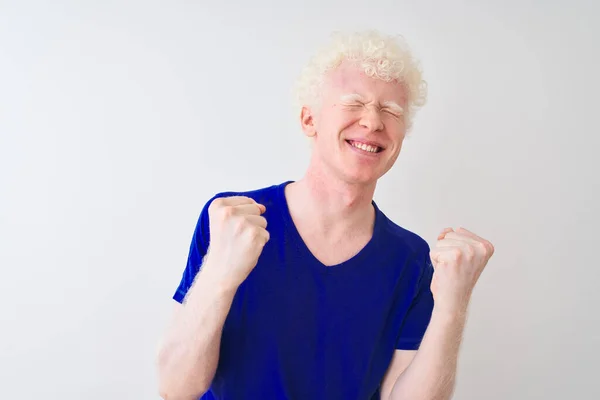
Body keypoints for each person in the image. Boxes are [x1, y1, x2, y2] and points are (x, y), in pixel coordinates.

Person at [156, 30, 495, 400]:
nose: (373, 121)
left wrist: (453, 304)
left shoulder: (410, 259)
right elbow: (177, 389)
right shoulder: (231, 221)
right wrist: (220, 274)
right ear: (309, 121)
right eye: (354, 102)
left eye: (391, 110)